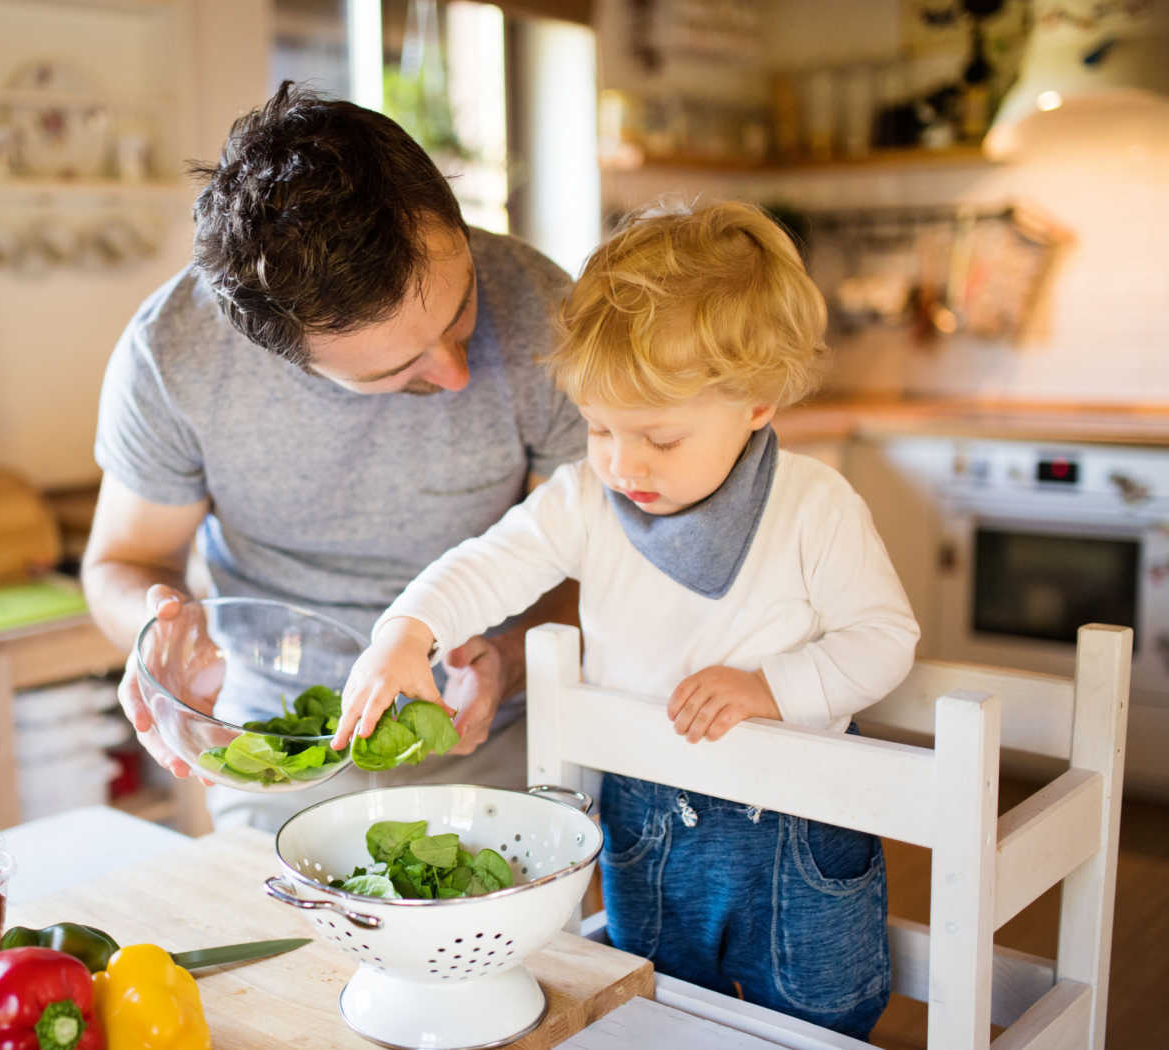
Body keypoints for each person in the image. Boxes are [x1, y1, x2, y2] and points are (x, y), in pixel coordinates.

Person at [333, 200, 920, 1038]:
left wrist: (771, 687)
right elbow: (489, 563)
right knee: (658, 1010)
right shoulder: (586, 498)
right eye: (599, 426)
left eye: (658, 437)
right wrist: (409, 630)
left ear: (755, 402)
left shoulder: (815, 507)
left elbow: (885, 640)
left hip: (796, 831)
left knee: (820, 1021)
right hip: (647, 824)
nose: (622, 461)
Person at [81, 81, 585, 832]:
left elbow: (596, 553)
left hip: (503, 740)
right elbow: (123, 560)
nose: (456, 375)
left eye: (461, 310)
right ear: (281, 355)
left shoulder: (546, 311)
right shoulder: (174, 353)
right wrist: (160, 635)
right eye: (394, 372)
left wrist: (510, 659)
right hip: (278, 750)